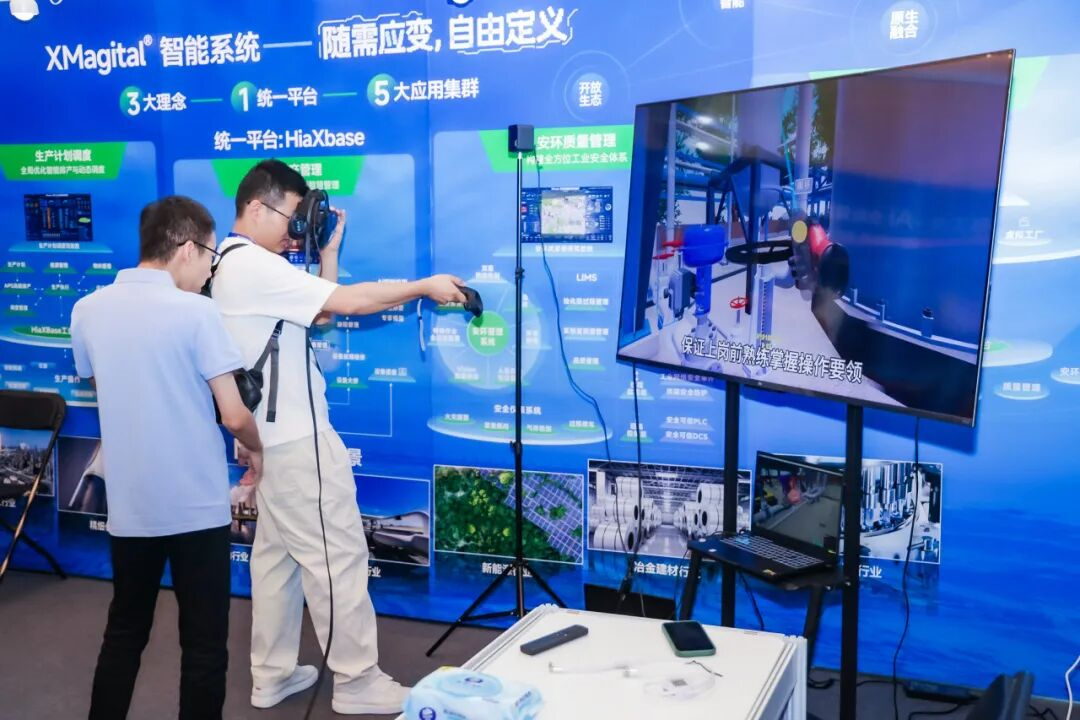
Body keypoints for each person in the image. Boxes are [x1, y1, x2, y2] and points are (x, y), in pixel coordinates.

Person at [207, 159, 465, 715]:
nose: (295, 230)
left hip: (272, 440)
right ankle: (356, 680)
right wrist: (423, 287)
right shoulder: (251, 263)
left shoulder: (232, 262)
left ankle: (271, 674)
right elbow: (347, 304)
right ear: (256, 206)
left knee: (276, 560)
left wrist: (327, 253)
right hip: (297, 442)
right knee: (337, 555)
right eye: (291, 216)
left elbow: (318, 313)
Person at [71, 196, 265, 720]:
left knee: (124, 633)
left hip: (131, 507)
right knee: (204, 645)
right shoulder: (197, 312)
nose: (210, 271)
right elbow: (234, 415)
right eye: (210, 257)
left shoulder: (87, 309)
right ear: (186, 247)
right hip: (196, 508)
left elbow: (102, 383)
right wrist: (257, 450)